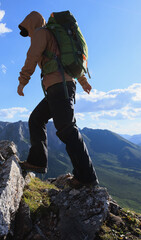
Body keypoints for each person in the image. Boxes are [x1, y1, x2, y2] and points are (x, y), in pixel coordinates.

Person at [17, 11, 98, 188]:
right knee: (36, 119)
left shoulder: (41, 33)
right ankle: (37, 161)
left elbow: (32, 57)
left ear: (31, 24)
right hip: (60, 86)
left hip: (58, 87)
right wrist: (83, 81)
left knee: (67, 130)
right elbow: (67, 62)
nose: (27, 33)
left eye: (26, 29)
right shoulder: (53, 35)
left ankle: (87, 177)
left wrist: (22, 82)